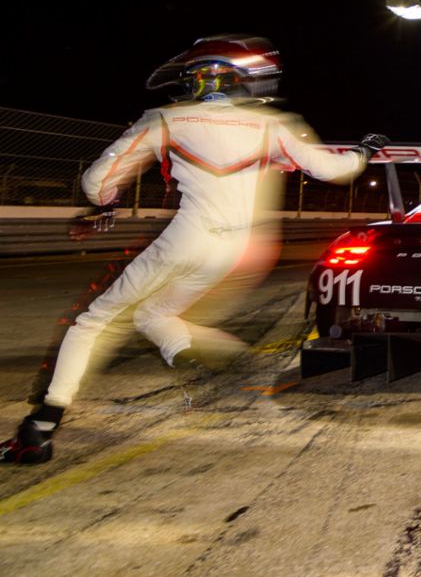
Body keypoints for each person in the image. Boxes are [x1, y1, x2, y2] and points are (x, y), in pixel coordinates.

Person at [1, 35, 386, 464]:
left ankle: (42, 426)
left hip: (187, 237)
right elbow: (332, 169)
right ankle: (195, 352)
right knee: (154, 313)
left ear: (198, 79)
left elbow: (96, 181)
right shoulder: (274, 126)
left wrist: (103, 204)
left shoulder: (166, 119)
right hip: (236, 250)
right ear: (245, 82)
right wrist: (363, 152)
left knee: (93, 321)